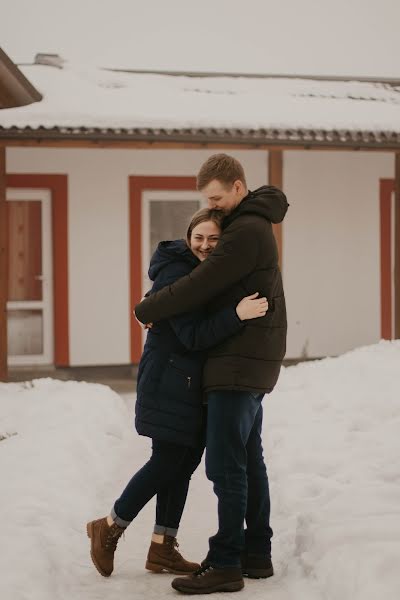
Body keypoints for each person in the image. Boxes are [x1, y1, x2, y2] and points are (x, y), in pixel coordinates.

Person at [135, 153, 289, 594]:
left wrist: (147, 308)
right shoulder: (250, 223)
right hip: (248, 360)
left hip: (236, 363)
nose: (213, 206)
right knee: (249, 460)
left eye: (217, 199)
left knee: (226, 466)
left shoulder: (245, 229)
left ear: (238, 187)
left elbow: (201, 284)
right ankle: (256, 553)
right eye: (207, 201)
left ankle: (225, 564)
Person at [86, 208, 268, 579]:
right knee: (168, 462)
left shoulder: (203, 273)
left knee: (182, 464)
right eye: (198, 237)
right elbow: (193, 336)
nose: (204, 244)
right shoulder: (178, 272)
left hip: (184, 381)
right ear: (188, 238)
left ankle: (162, 547)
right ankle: (109, 526)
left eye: (213, 239)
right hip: (168, 381)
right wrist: (236, 314)